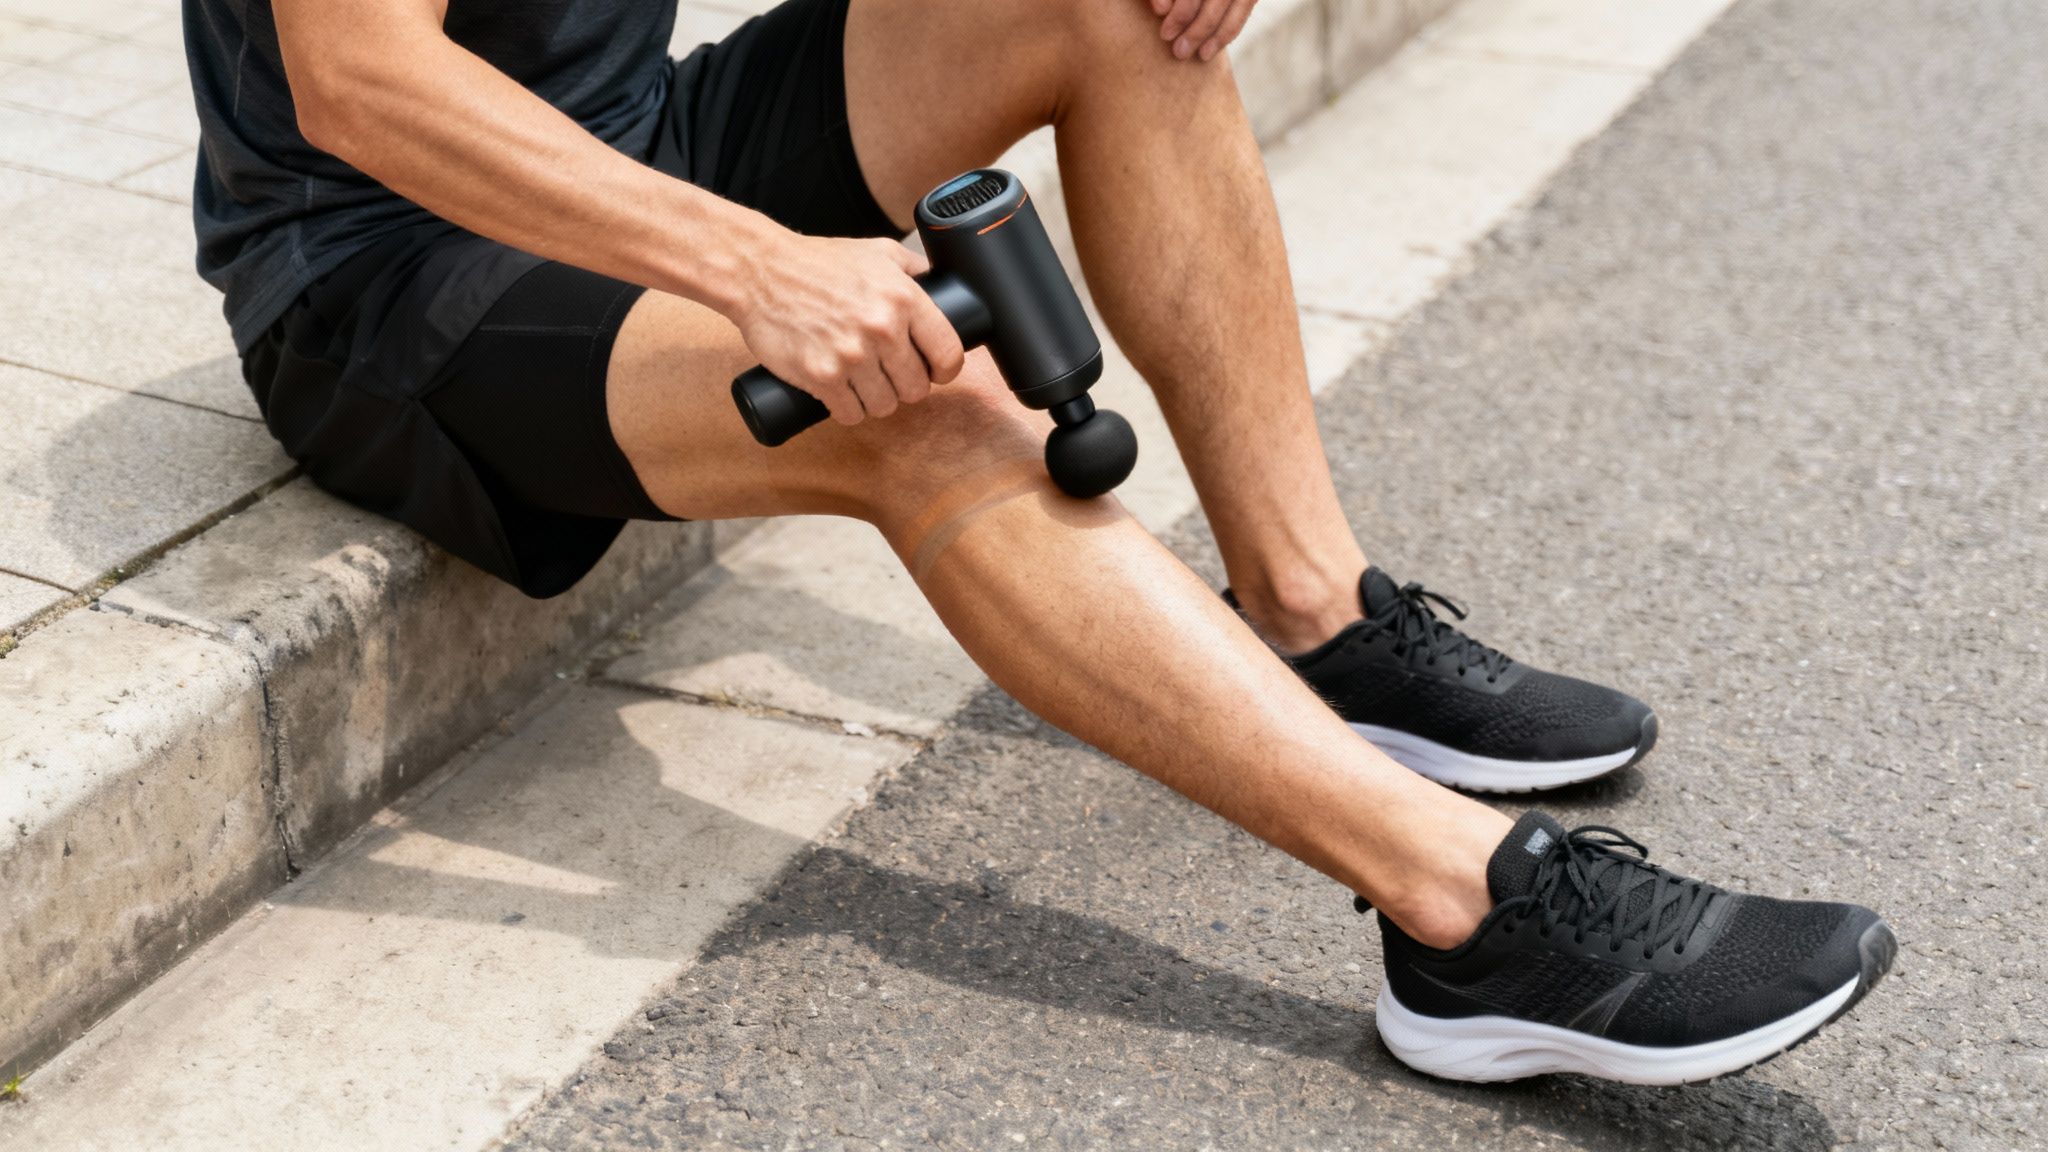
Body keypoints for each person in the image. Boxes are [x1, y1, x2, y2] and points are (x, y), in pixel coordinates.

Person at [182, 0, 1893, 1085]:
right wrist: (762, 268)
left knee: (1122, 12)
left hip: (631, 143)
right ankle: (1472, 918)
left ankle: (1316, 619)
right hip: (388, 274)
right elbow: (361, 78)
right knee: (922, 411)